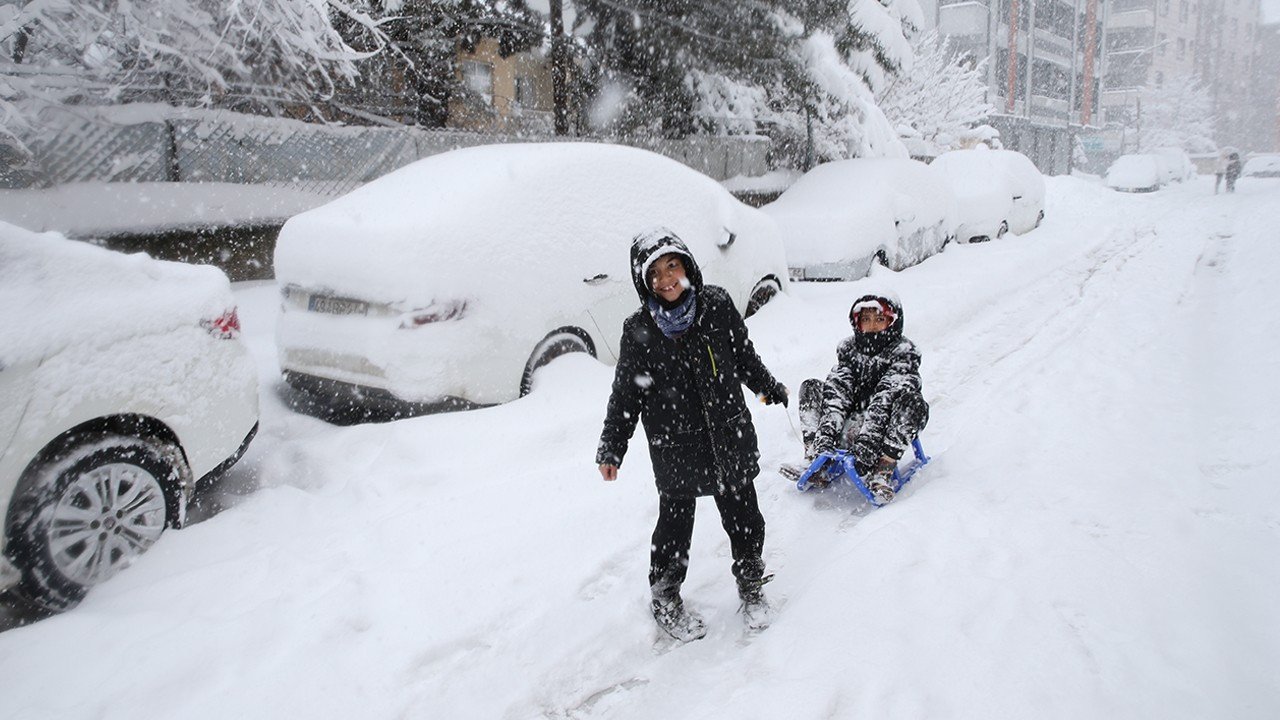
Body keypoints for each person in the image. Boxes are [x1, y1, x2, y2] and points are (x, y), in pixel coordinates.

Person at [596, 227, 788, 641]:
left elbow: (742, 356)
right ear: (643, 283)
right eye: (655, 274)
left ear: (687, 266)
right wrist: (613, 446)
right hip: (675, 445)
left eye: (673, 265)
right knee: (674, 527)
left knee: (745, 519)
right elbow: (626, 394)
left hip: (728, 435)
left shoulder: (716, 305)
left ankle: (751, 584)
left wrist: (766, 385)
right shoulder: (638, 331)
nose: (666, 279)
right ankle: (665, 596)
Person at [790, 291, 928, 505]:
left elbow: (886, 397)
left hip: (884, 428)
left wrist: (870, 440)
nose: (872, 326)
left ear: (893, 322)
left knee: (913, 404)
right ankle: (814, 458)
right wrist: (826, 433)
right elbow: (838, 391)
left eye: (880, 319)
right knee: (811, 387)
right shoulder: (849, 350)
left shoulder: (903, 353)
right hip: (851, 420)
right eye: (866, 319)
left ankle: (883, 468)